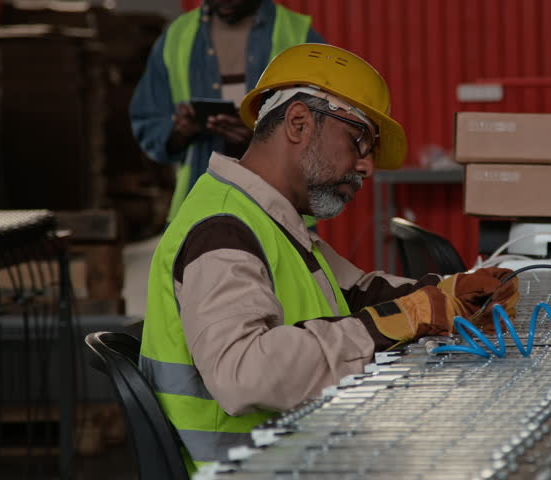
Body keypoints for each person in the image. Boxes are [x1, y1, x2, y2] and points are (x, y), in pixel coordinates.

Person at [139, 43, 520, 474]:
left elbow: (360, 295)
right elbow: (243, 373)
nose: (366, 167)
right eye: (359, 141)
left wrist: (453, 294)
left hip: (296, 452)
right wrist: (402, 318)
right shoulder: (223, 228)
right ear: (299, 122)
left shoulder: (271, 220)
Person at [129, 0, 324, 224]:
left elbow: (325, 130)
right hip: (199, 209)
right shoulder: (177, 36)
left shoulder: (296, 34)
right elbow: (149, 122)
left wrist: (263, 138)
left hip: (283, 212)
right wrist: (181, 131)